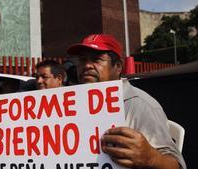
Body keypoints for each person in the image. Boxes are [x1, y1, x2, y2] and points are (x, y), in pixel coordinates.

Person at [67, 34, 186, 169]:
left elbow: (177, 166)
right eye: (82, 60)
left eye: (97, 59)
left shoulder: (141, 106)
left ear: (118, 67)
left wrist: (150, 158)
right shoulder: (70, 104)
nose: (87, 65)